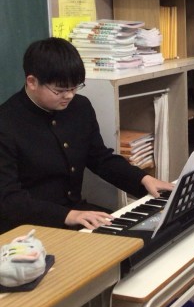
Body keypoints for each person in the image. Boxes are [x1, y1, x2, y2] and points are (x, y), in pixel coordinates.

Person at [0, 37, 173, 234]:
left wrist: (142, 179)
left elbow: (100, 159)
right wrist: (68, 216)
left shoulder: (80, 107)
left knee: (147, 233)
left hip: (77, 213)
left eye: (74, 87)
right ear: (32, 82)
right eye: (60, 90)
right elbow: (8, 199)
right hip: (28, 228)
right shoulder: (6, 123)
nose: (69, 95)